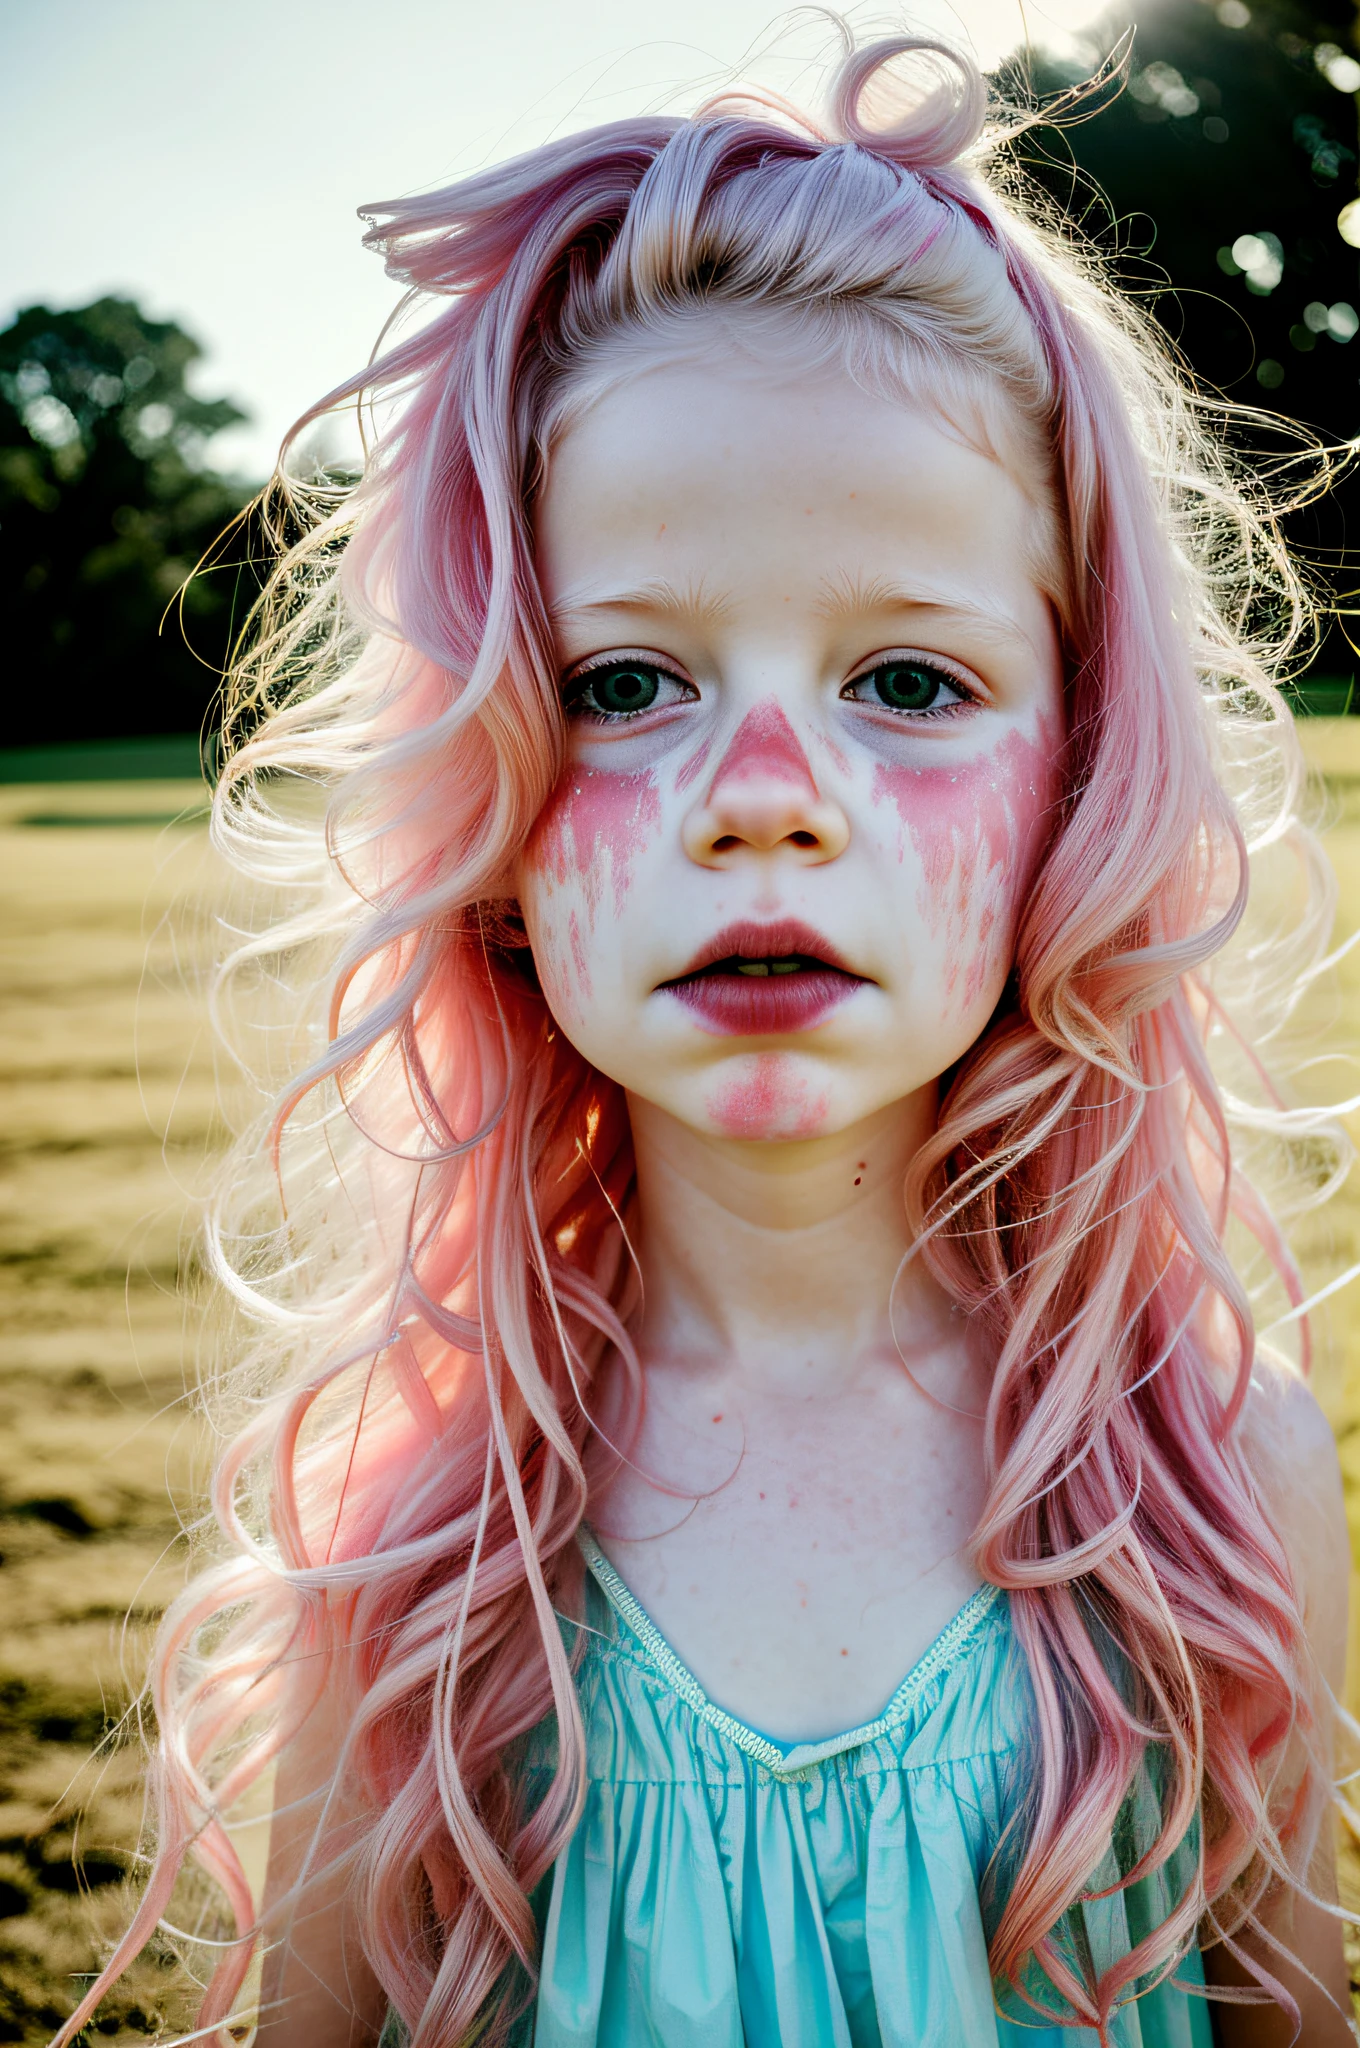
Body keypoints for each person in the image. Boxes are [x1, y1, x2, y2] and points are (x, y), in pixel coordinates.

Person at [58, 27, 1355, 2048]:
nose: (762, 791)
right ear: (478, 797)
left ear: (1077, 779)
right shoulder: (408, 1544)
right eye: (628, 679)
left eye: (908, 679)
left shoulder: (1209, 1479)